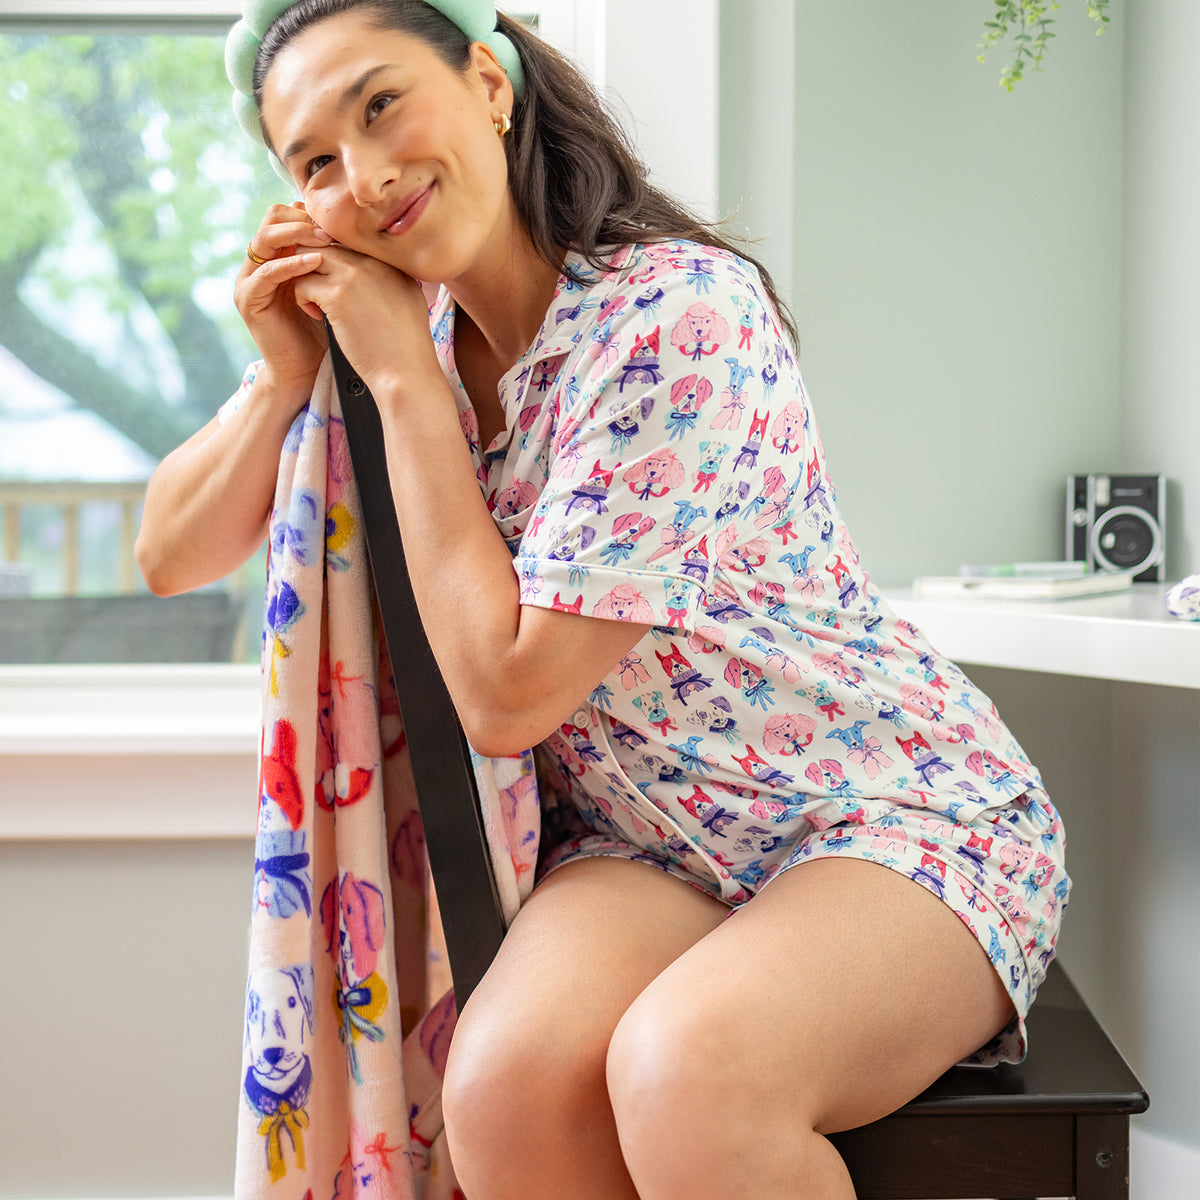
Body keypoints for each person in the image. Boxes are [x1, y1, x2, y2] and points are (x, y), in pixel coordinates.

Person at [135, 2, 1069, 1197]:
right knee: (501, 1091)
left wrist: (407, 385)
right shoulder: (385, 336)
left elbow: (511, 695)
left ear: (488, 81)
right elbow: (170, 551)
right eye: (315, 161)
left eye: (381, 105)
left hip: (893, 816)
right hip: (646, 847)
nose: (364, 176)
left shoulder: (675, 314)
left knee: (693, 1070)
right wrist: (285, 377)